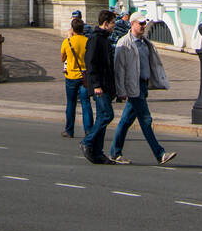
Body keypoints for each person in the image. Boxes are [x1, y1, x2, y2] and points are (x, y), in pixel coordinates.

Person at [110, 12, 177, 165]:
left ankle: (115, 152)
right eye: (140, 24)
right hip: (133, 87)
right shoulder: (124, 43)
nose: (143, 26)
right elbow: (119, 69)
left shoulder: (145, 42)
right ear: (132, 24)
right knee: (146, 120)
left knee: (126, 121)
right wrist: (121, 91)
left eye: (144, 23)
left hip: (143, 85)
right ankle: (160, 154)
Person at [80, 8, 118, 164]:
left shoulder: (105, 39)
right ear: (105, 23)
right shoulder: (95, 39)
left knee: (102, 117)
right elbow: (91, 63)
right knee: (108, 115)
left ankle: (97, 152)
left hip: (106, 85)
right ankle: (87, 142)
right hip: (99, 86)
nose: (114, 26)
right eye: (113, 23)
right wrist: (96, 85)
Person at [60, 19, 93, 140]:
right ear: (83, 29)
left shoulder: (67, 42)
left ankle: (69, 130)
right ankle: (89, 131)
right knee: (86, 104)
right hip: (84, 77)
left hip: (71, 76)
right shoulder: (87, 41)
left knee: (71, 104)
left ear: (72, 29)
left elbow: (62, 59)